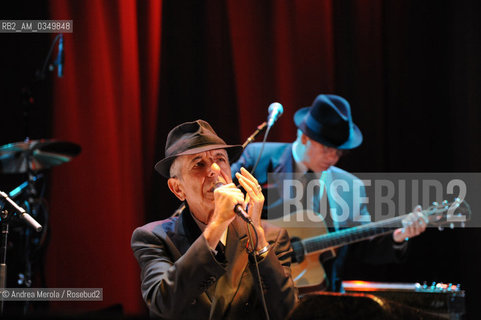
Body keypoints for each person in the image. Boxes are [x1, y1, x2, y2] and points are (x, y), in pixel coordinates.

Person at [231, 94, 427, 292]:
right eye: (326, 148)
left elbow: (363, 247)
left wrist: (399, 237)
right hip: (258, 290)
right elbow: (219, 206)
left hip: (321, 296)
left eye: (339, 152)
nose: (333, 158)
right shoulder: (259, 157)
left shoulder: (350, 186)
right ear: (304, 136)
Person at [131, 120, 297, 319]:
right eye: (199, 164)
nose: (214, 170)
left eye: (220, 159)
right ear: (178, 188)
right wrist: (217, 225)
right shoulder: (154, 238)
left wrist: (258, 241)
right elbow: (163, 304)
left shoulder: (271, 237)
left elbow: (289, 313)